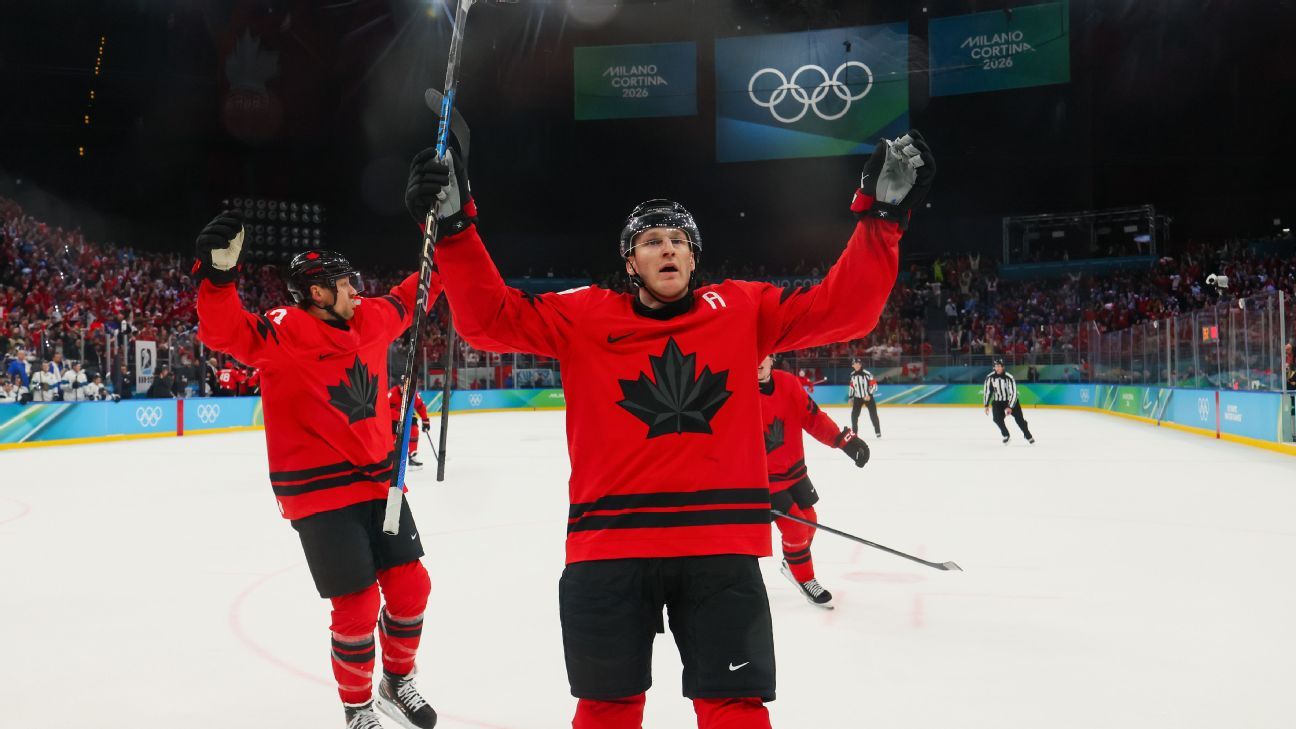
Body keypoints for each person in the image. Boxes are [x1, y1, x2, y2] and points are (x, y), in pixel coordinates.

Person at [408, 124, 932, 727]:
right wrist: (453, 230)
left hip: (720, 549)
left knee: (735, 709)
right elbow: (487, 318)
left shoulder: (741, 309)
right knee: (606, 709)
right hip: (608, 547)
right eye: (652, 240)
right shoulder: (582, 315)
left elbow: (848, 311)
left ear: (694, 257)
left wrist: (884, 217)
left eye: (680, 240)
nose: (669, 249)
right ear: (629, 260)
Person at [192, 210, 443, 729]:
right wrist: (217, 280)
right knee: (355, 607)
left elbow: (417, 290)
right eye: (343, 284)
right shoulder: (283, 333)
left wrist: (441, 230)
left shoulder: (372, 318)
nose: (355, 290)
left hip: (379, 480)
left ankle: (397, 682)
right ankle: (357, 709)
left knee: (412, 585)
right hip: (320, 493)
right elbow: (225, 333)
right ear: (317, 294)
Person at [758, 354, 869, 609]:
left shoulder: (788, 384)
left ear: (772, 358)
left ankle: (792, 563)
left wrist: (844, 441)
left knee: (810, 520)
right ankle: (805, 579)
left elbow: (813, 418)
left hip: (794, 471)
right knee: (795, 528)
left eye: (762, 356)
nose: (757, 363)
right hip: (764, 479)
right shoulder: (738, 391)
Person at [984, 357, 1034, 444]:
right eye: (996, 366)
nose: (997, 368)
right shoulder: (990, 377)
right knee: (996, 419)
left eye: (999, 366)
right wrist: (986, 405)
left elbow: (1013, 393)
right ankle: (1006, 435)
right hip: (997, 402)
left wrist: (1010, 406)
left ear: (1003, 367)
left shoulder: (1009, 377)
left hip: (1011, 400)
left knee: (1020, 420)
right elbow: (988, 391)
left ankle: (1028, 435)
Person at [387, 384, 431, 470]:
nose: (404, 389)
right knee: (393, 438)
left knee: (414, 430)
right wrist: (399, 416)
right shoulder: (392, 393)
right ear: (399, 386)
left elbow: (420, 406)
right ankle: (391, 459)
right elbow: (384, 408)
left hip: (406, 415)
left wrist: (425, 421)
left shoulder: (413, 394)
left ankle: (412, 457)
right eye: (403, 386)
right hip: (393, 418)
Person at [846, 357, 881, 438]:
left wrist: (869, 394)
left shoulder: (868, 374)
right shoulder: (852, 375)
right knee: (854, 416)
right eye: (855, 364)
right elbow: (852, 387)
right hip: (857, 398)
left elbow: (875, 386)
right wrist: (850, 397)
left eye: (858, 364)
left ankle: (878, 432)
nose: (857, 365)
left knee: (873, 415)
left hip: (868, 397)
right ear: (853, 366)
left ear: (860, 364)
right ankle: (854, 434)